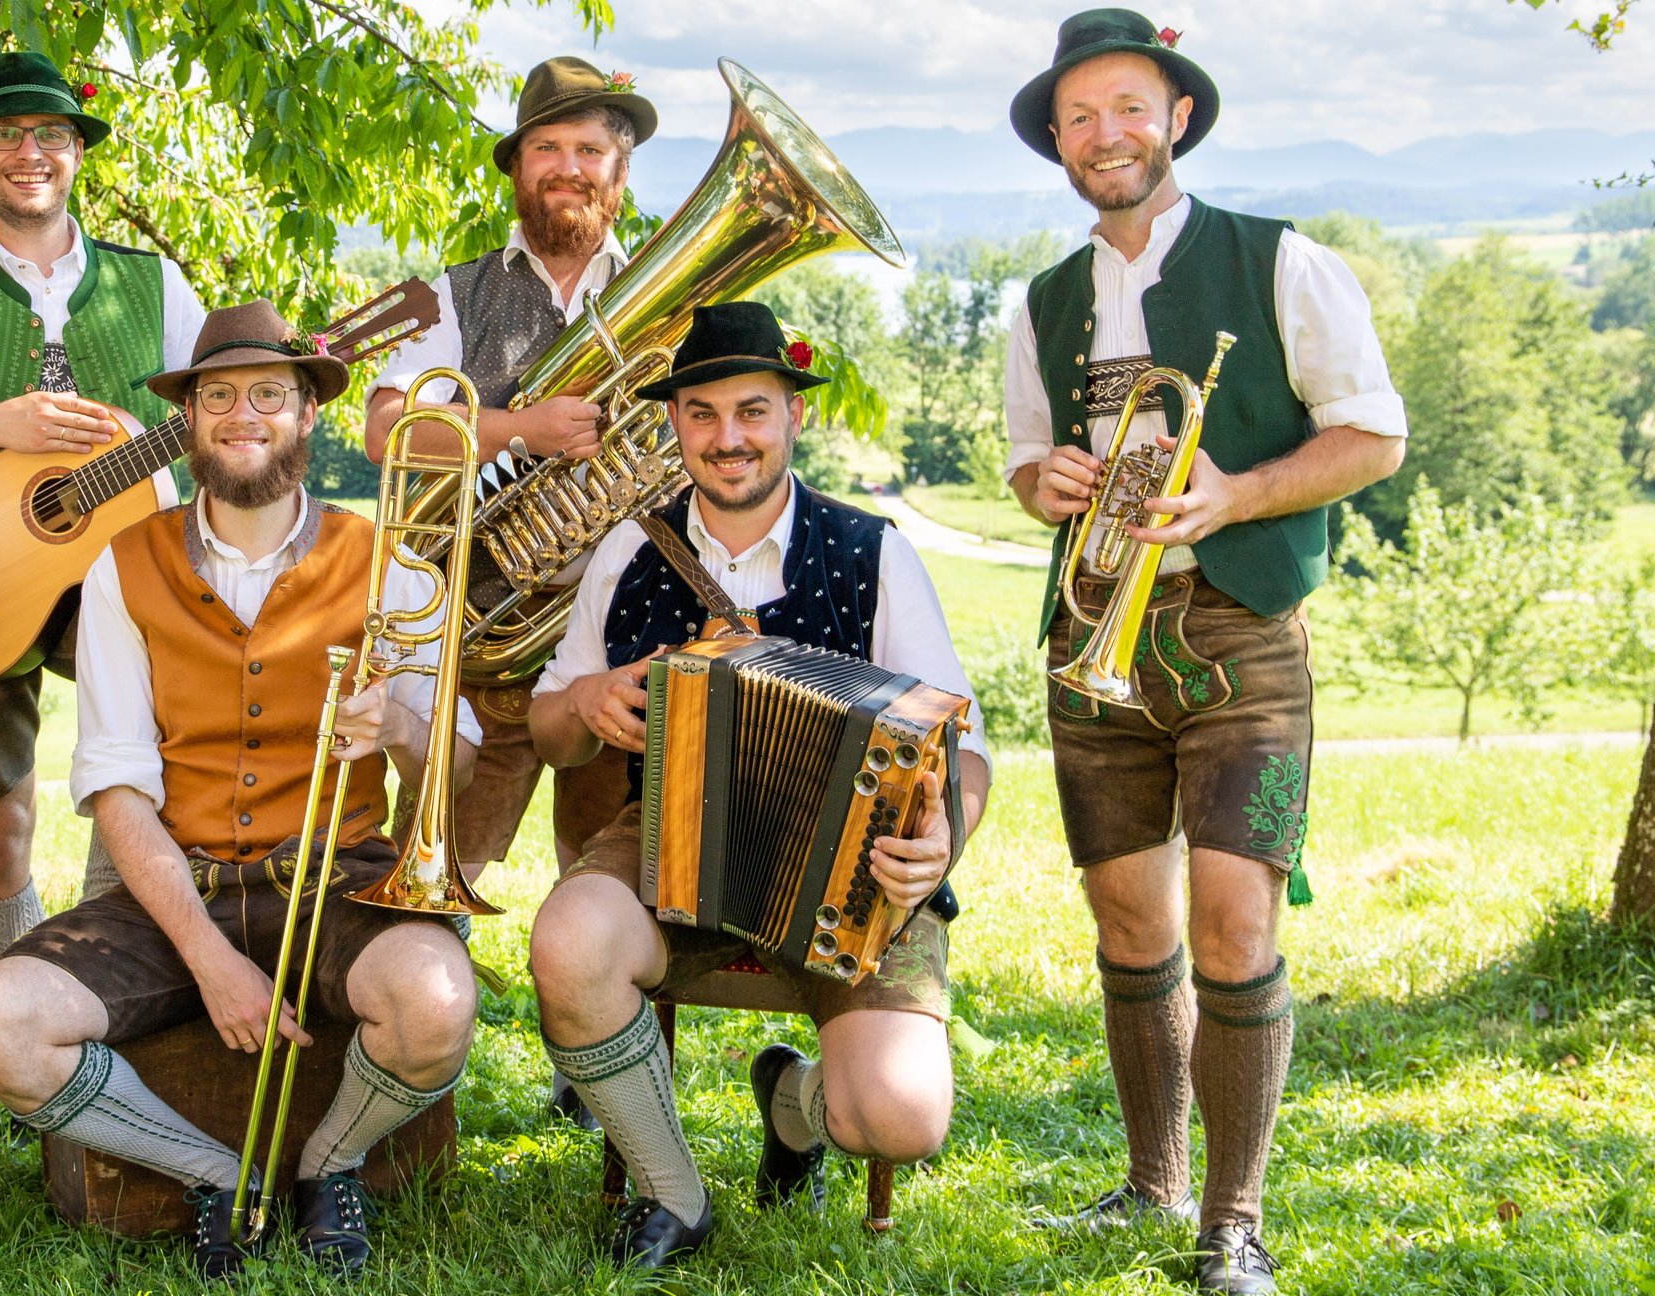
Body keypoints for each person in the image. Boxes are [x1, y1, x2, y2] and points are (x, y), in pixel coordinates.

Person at [0, 302, 482, 1281]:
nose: (245, 415)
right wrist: (207, 955)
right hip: (176, 880)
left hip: (337, 872)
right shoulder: (122, 565)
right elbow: (117, 790)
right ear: (190, 420)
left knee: (438, 1006)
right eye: (220, 395)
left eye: (269, 394)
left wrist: (400, 729)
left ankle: (329, 1165)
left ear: (307, 415)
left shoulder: (388, 562)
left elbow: (459, 763)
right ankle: (211, 1171)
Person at [1001, 12, 1408, 1293]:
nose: (1104, 135)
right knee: (1130, 923)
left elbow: (1375, 437)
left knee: (1236, 925)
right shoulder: (1046, 299)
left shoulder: (1282, 262)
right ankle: (1151, 1181)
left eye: (1128, 107)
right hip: (1098, 640)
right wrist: (1049, 480)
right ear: (1058, 142)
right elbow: (1021, 465)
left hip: (1244, 635)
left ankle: (1232, 1220)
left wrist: (1236, 495)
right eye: (1079, 117)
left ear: (1176, 116)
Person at [524, 302, 993, 1269]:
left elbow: (966, 751)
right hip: (669, 851)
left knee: (899, 1118)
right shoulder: (628, 550)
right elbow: (547, 730)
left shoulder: (873, 552)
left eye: (752, 410)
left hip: (853, 880)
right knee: (568, 943)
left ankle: (794, 1104)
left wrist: (944, 837)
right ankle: (673, 1190)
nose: (727, 438)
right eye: (702, 414)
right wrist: (588, 700)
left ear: (793, 417)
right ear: (676, 425)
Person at [0, 50, 206, 972]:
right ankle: (12, 1058)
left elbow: (220, 432)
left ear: (77, 153)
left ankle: (108, 1010)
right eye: (7, 133)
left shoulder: (158, 288)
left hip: (138, 584)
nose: (30, 151)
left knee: (146, 798)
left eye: (51, 133)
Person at [365, 52, 656, 1127]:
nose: (571, 169)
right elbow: (385, 428)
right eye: (551, 150)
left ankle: (598, 1086)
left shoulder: (665, 292)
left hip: (615, 646)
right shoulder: (454, 295)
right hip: (483, 635)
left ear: (619, 173)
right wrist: (517, 430)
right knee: (439, 865)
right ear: (518, 170)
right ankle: (411, 1080)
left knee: (603, 875)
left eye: (592, 150)